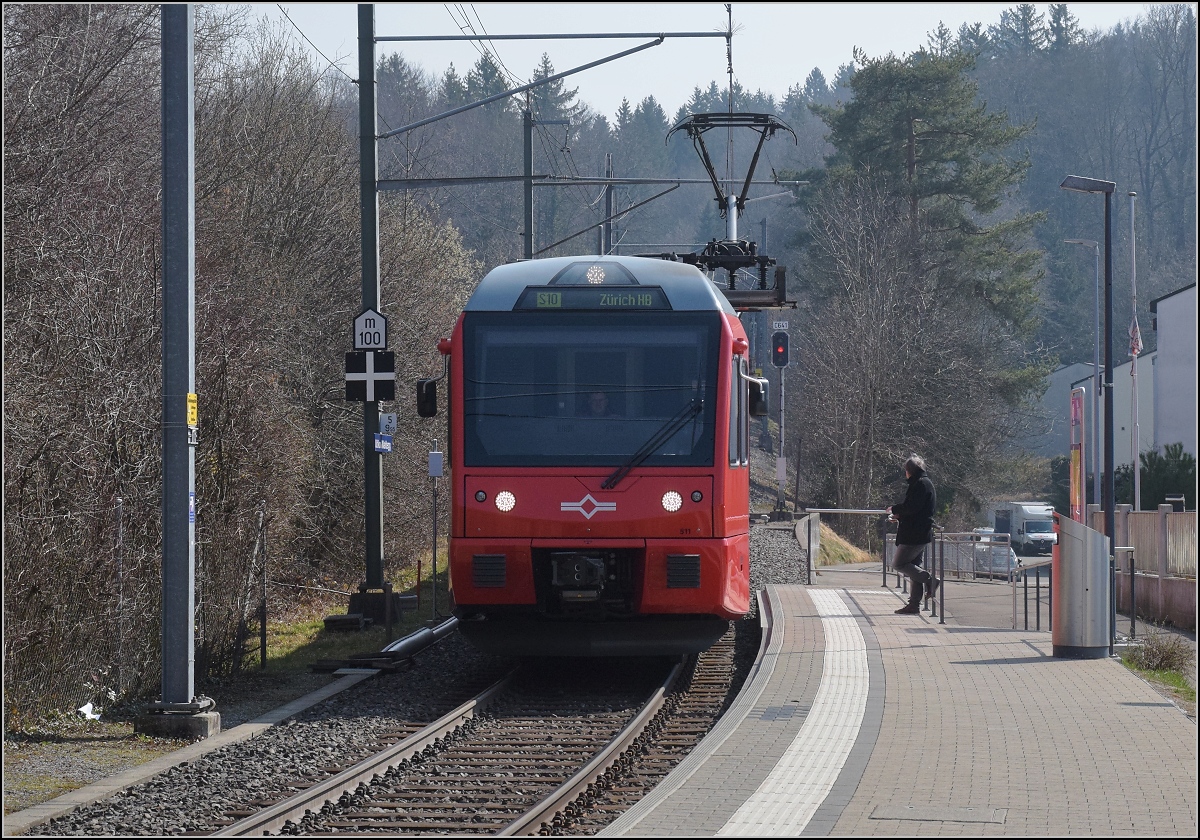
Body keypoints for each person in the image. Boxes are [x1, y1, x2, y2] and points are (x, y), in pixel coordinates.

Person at [886, 454, 939, 615]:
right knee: (914, 567)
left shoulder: (920, 484)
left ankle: (930, 580)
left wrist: (895, 509)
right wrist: (900, 515)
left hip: (914, 534)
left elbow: (911, 507)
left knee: (899, 564)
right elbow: (916, 509)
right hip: (920, 532)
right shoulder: (925, 483)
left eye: (905, 471)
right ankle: (914, 604)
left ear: (909, 471)